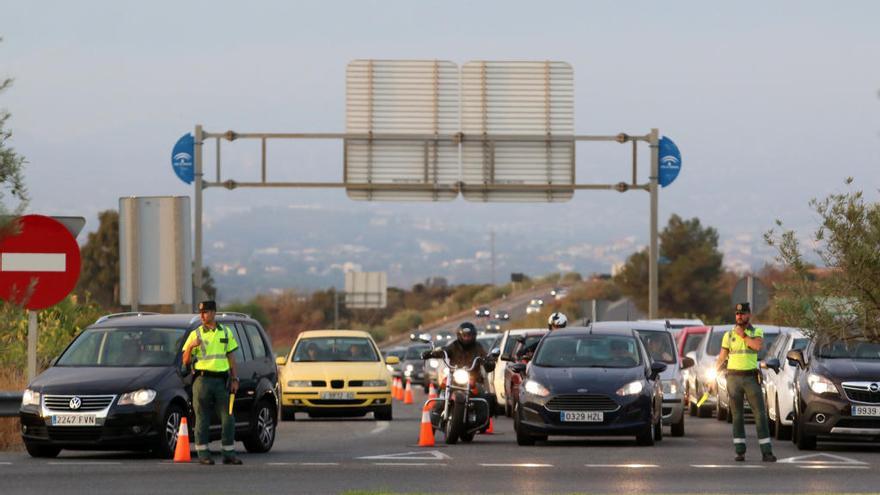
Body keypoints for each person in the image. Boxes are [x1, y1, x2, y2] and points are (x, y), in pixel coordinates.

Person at [182, 301, 243, 466]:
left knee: (228, 417)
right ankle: (203, 453)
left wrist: (235, 379)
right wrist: (190, 348)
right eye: (200, 312)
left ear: (214, 313)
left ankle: (228, 453)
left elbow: (231, 357)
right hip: (202, 381)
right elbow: (185, 360)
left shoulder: (225, 332)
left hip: (222, 381)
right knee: (202, 418)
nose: (202, 315)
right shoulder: (196, 334)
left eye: (206, 312)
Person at [715, 302, 776, 462]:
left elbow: (756, 346)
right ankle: (740, 451)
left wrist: (743, 335)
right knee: (737, 416)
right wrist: (714, 376)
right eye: (737, 314)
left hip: (750, 378)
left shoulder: (756, 332)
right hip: (733, 378)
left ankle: (766, 452)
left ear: (749, 315)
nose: (739, 316)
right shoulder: (728, 335)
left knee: (760, 415)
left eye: (742, 314)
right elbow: (722, 357)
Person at [422, 322, 497, 414]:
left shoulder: (478, 347)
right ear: (459, 335)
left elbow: (485, 356)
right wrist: (431, 354)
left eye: (469, 336)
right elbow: (444, 351)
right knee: (443, 387)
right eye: (465, 336)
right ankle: (437, 412)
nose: (467, 338)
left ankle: (482, 417)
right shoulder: (454, 346)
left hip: (473, 379)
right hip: (454, 377)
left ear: (474, 336)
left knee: (482, 396)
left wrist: (488, 362)